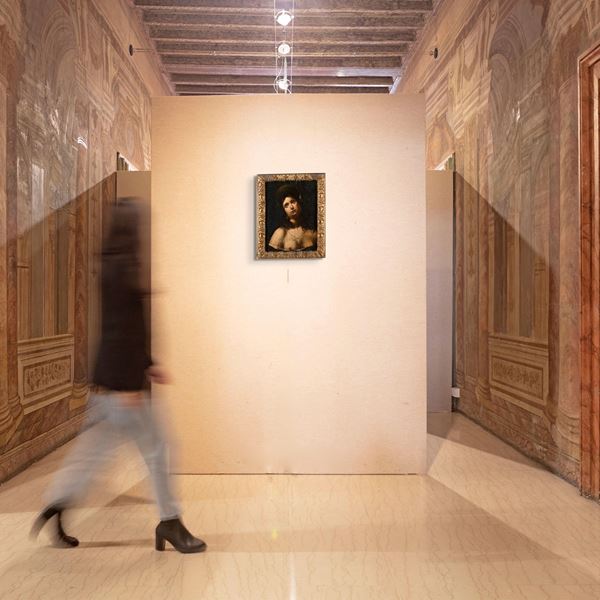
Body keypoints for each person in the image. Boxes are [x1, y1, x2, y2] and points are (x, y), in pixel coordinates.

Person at [31, 199, 206, 554]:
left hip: (109, 380)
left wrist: (149, 362)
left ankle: (56, 505)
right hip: (121, 385)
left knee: (93, 454)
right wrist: (130, 383)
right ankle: (170, 521)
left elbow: (125, 327)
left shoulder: (112, 265)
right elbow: (122, 329)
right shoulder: (125, 269)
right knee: (159, 449)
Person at [268, 184, 317, 251]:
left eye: (293, 202)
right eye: (286, 205)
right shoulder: (280, 233)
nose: (291, 207)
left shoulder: (312, 231)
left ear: (299, 202)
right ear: (284, 211)